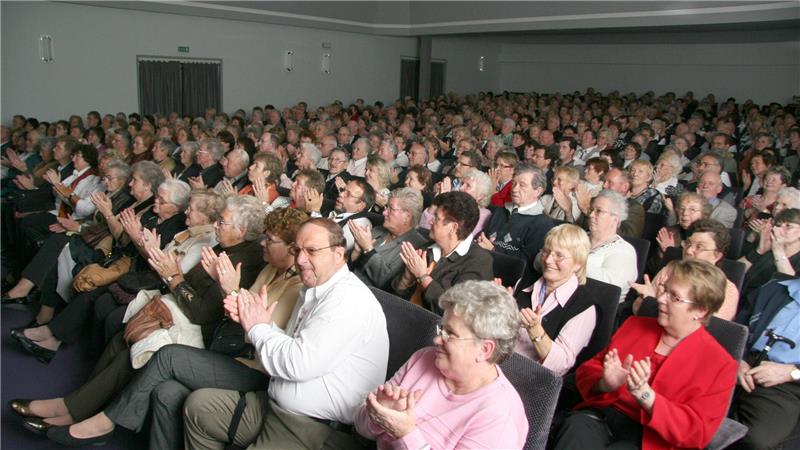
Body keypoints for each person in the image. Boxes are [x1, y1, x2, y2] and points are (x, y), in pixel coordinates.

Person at [22, 207, 306, 449]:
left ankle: (100, 421)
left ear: (292, 249)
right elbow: (234, 318)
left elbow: (249, 332)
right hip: (227, 344)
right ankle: (75, 407)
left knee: (164, 354)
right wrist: (226, 292)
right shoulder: (271, 269)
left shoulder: (294, 286)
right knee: (143, 365)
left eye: (271, 240)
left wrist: (228, 291)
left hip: (251, 365)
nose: (263, 243)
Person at [182, 218, 390, 449]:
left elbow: (297, 363)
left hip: (310, 428)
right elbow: (290, 347)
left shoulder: (348, 300)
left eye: (311, 251)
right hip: (274, 406)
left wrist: (258, 328)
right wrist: (261, 322)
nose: (300, 259)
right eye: (297, 250)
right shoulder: (313, 290)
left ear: (339, 254)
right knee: (199, 407)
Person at [553, 259, 737, 449]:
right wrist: (604, 383)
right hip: (602, 416)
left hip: (651, 440)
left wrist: (647, 396)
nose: (661, 299)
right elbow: (587, 370)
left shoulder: (720, 364)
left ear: (700, 310)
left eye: (674, 297)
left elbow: (697, 432)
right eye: (664, 290)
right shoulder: (635, 325)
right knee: (576, 428)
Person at [354, 280, 529, 449]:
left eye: (450, 334)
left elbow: (403, 435)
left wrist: (405, 434)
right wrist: (378, 414)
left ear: (484, 349)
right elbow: (360, 426)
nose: (437, 339)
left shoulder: (500, 417)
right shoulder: (424, 358)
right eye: (442, 329)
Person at [515, 224, 606, 376]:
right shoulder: (524, 283)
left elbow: (560, 365)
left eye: (559, 256)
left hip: (529, 379)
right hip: (494, 364)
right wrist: (496, 306)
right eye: (546, 251)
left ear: (578, 263)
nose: (548, 260)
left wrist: (535, 331)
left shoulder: (584, 308)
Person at [393, 191, 493, 313]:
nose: (430, 221)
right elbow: (395, 295)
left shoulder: (480, 261)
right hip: (401, 314)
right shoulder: (428, 247)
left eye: (436, 218)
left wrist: (423, 277)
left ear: (453, 228)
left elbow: (456, 311)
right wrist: (407, 278)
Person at [729, 278, 800, 449]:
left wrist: (791, 373)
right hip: (740, 364)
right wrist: (738, 359)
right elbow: (735, 330)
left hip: (788, 383)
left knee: (756, 440)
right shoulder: (773, 289)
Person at [632, 219, 739, 320]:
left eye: (699, 247)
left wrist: (653, 303)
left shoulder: (727, 290)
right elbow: (636, 309)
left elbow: (708, 329)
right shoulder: (669, 270)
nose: (689, 251)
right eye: (688, 244)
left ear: (717, 256)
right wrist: (645, 299)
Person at [478, 163, 554, 286]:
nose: (514, 189)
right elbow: (484, 239)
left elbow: (526, 264)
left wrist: (493, 250)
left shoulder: (543, 223)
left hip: (509, 281)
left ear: (538, 191)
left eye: (522, 185)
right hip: (482, 268)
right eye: (513, 183)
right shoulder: (500, 211)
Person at [350, 187, 428, 290]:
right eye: (386, 207)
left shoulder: (416, 246)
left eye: (390, 209)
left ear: (407, 216)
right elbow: (350, 267)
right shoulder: (378, 230)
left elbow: (386, 283)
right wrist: (356, 252)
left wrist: (368, 249)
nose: (384, 213)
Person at [739, 208, 800, 298]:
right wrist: (759, 251)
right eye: (779, 225)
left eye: (788, 226)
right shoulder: (769, 250)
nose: (780, 229)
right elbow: (735, 272)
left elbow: (791, 288)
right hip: (744, 299)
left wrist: (778, 251)